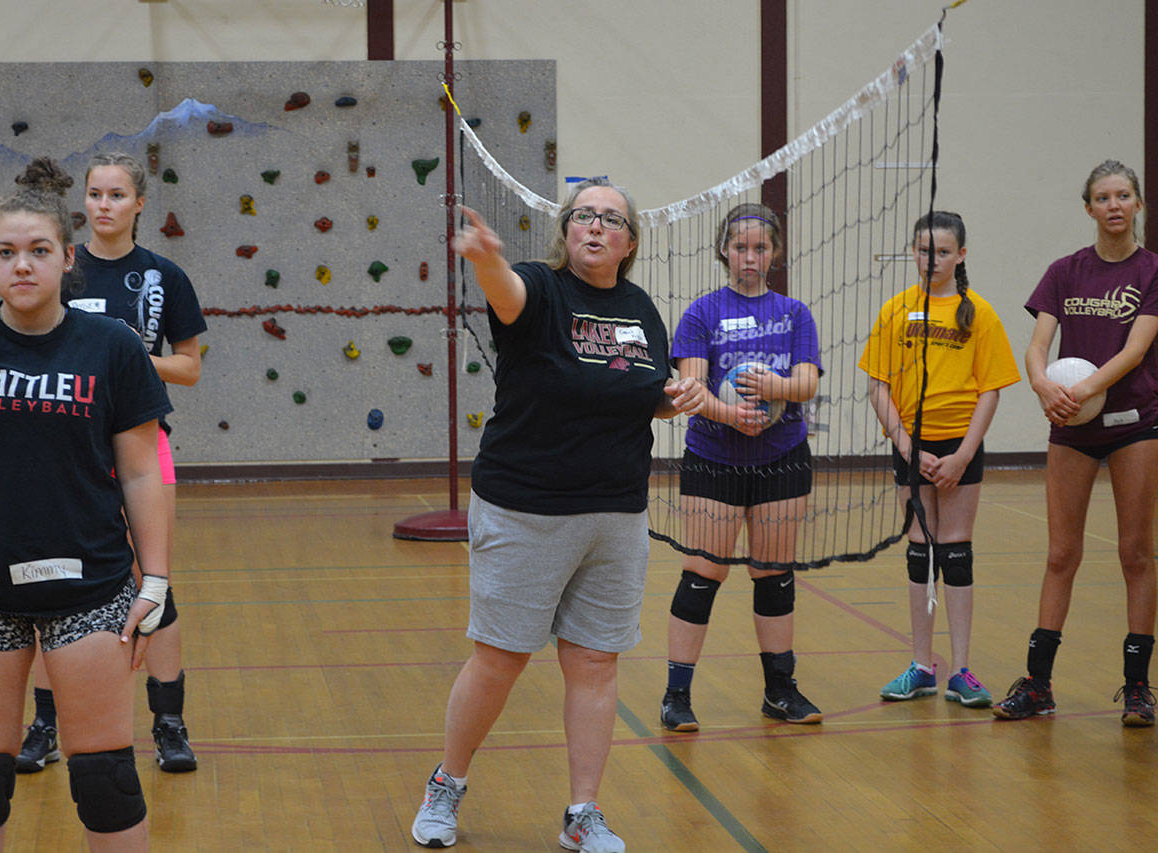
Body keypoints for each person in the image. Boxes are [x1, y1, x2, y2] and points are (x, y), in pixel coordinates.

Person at [409, 178, 703, 852]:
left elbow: (642, 390)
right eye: (584, 215)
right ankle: (446, 784)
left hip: (616, 515)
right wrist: (486, 258)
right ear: (566, 230)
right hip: (526, 509)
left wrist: (675, 396)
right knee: (500, 659)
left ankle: (582, 813)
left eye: (611, 219)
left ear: (628, 243)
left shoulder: (639, 309)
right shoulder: (541, 290)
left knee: (595, 663)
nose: (595, 226)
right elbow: (505, 293)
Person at [0, 158, 172, 849]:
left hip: (91, 589)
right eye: (8, 252)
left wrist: (157, 580)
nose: (23, 265)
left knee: (106, 779)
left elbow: (142, 474)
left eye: (40, 250)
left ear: (68, 259)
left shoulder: (112, 348)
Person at [17, 152, 206, 774]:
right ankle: (45, 726)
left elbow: (189, 366)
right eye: (95, 194)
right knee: (50, 580)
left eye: (117, 195)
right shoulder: (61, 269)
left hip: (143, 444)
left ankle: (169, 724)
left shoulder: (163, 277)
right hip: (63, 450)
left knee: (154, 580)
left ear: (139, 203)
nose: (104, 205)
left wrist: (125, 356)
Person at [994, 160, 1158, 726]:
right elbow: (1038, 345)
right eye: (1103, 197)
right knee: (1061, 554)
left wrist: (1085, 389)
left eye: (1124, 196)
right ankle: (1038, 685)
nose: (1114, 205)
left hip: (1134, 424)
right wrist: (1043, 385)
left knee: (1135, 553)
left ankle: (1137, 688)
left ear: (1138, 204)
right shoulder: (1065, 271)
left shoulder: (1152, 271)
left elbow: (1136, 349)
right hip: (1071, 426)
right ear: (1088, 208)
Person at [659, 203, 824, 732]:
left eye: (760, 248)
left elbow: (807, 383)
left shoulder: (795, 314)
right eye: (740, 247)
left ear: (774, 253)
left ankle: (780, 690)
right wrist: (732, 415)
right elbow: (690, 389)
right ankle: (676, 695)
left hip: (781, 459)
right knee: (703, 572)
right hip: (715, 458)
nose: (749, 257)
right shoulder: (702, 313)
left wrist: (775, 389)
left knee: (773, 574)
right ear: (723, 251)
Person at [859, 210, 1020, 708]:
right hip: (911, 444)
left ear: (961, 255)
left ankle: (962, 670)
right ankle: (921, 666)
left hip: (959, 446)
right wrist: (908, 448)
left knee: (956, 551)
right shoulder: (896, 310)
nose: (933, 260)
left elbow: (991, 390)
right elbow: (877, 385)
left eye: (944, 252)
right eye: (925, 251)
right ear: (913, 252)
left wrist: (963, 455)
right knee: (919, 549)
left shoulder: (980, 314)